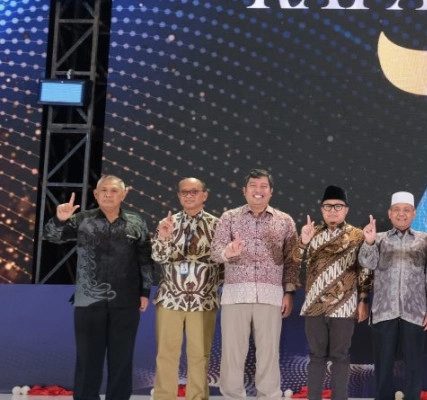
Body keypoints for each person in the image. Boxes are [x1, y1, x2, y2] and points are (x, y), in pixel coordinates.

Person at [42, 175, 155, 400]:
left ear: (123, 194)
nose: (108, 194)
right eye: (103, 190)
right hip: (88, 300)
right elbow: (51, 236)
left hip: (126, 300)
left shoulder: (136, 222)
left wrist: (144, 292)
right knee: (88, 358)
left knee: (122, 358)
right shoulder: (82, 219)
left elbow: (145, 259)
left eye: (114, 191)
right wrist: (59, 220)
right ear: (96, 194)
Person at [211, 168, 301, 400]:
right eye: (253, 185)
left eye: (263, 186)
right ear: (244, 190)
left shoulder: (284, 221)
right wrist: (228, 252)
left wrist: (289, 292)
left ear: (271, 191)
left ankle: (269, 396)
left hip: (271, 295)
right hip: (236, 294)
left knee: (269, 353)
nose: (258, 190)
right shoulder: (229, 217)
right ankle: (232, 396)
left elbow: (292, 260)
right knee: (232, 353)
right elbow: (215, 251)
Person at [289, 185, 369, 400]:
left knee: (341, 356)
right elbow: (294, 262)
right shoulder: (312, 233)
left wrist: (363, 300)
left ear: (346, 209)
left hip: (344, 306)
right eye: (328, 206)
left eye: (338, 206)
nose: (333, 210)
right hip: (314, 306)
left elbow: (365, 270)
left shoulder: (357, 235)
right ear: (321, 209)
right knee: (316, 356)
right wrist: (303, 242)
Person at [359, 191, 427, 400]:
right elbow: (366, 264)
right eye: (397, 210)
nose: (401, 214)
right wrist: (368, 242)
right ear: (390, 213)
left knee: (414, 367)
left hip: (415, 313)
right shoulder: (378, 239)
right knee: (383, 368)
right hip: (384, 312)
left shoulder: (425, 240)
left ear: (413, 213)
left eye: (406, 210)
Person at [151, 178, 222, 400]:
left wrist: (210, 286)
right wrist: (163, 237)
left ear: (204, 195)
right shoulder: (167, 222)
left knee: (200, 355)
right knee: (166, 354)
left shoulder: (217, 224)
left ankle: (197, 397)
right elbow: (158, 257)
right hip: (170, 298)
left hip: (203, 300)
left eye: (194, 191)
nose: (189, 195)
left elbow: (223, 264)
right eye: (184, 192)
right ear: (179, 196)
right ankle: (163, 397)